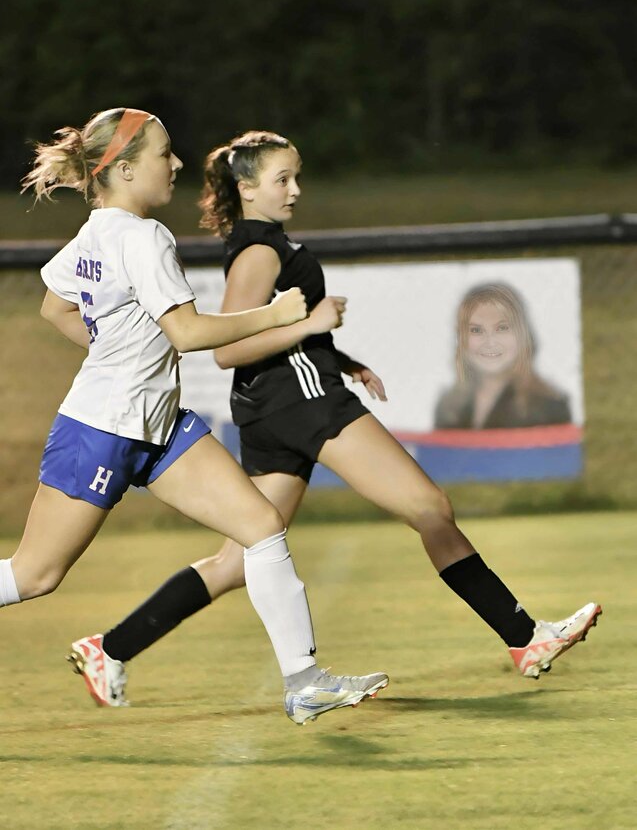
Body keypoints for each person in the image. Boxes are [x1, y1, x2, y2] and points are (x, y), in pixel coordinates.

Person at [69, 129, 601, 708]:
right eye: (282, 179)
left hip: (277, 406)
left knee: (238, 560)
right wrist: (312, 326)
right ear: (246, 188)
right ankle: (525, 638)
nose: (295, 189)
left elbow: (272, 335)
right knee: (430, 508)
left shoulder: (266, 241)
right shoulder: (259, 252)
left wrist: (340, 358)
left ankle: (111, 648)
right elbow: (227, 350)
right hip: (303, 403)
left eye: (296, 176)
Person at [1, 109, 389, 727]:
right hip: (102, 430)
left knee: (262, 527)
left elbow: (55, 308)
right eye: (164, 153)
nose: (176, 164)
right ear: (125, 169)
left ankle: (306, 682)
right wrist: (281, 314)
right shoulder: (142, 236)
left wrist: (120, 359)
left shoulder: (95, 233)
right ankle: (304, 682)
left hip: (156, 425)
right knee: (34, 575)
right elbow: (184, 333)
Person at [435, 283, 572, 430]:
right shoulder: (448, 408)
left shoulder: (549, 408)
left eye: (502, 328)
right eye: (476, 330)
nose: (490, 342)